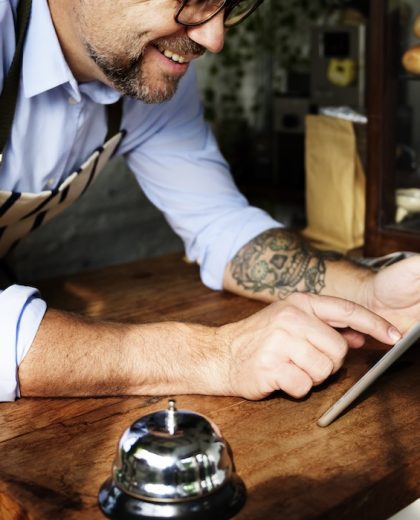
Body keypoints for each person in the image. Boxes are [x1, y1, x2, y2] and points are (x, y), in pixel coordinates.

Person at [0, 0, 419, 403]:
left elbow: (219, 224)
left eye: (228, 3)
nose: (214, 38)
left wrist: (365, 295)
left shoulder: (150, 72)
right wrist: (219, 355)